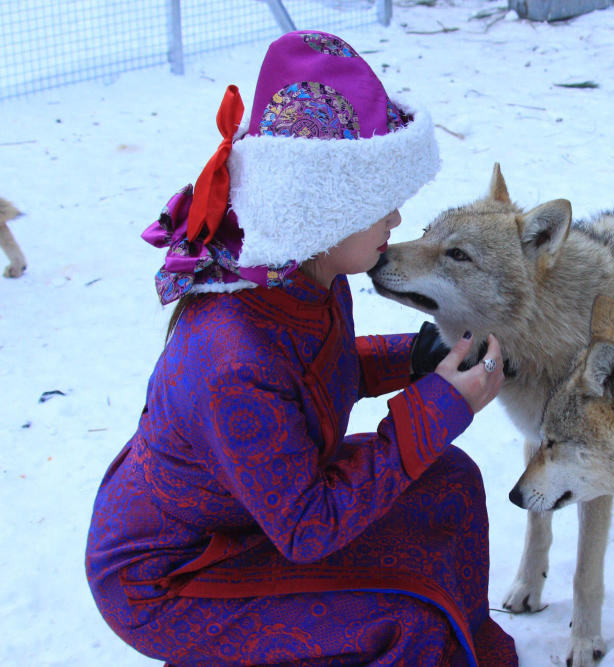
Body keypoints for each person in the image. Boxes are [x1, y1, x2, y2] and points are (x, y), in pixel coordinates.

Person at [85, 31, 518, 667]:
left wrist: (421, 358)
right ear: (322, 211)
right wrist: (432, 412)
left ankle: (466, 651)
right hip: (174, 579)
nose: (397, 220)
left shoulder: (308, 277)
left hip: (250, 515)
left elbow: (326, 371)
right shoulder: (231, 355)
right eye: (378, 204)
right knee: (405, 621)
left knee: (448, 482)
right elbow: (308, 527)